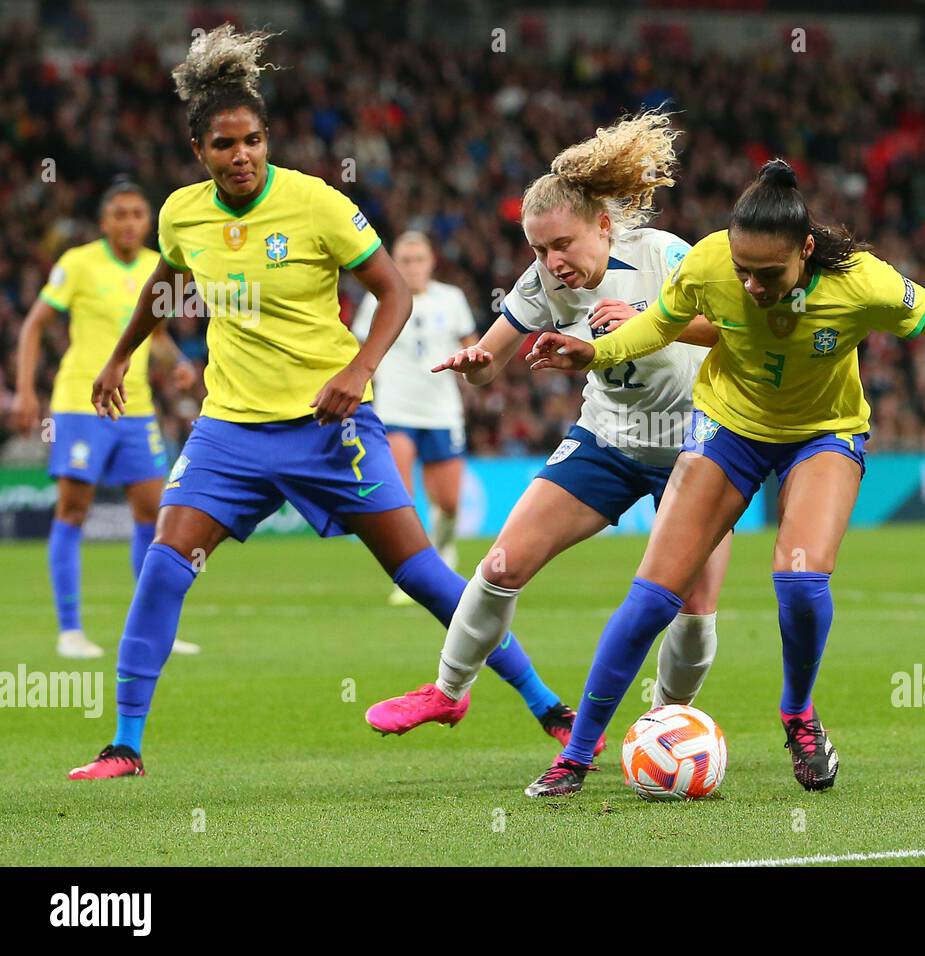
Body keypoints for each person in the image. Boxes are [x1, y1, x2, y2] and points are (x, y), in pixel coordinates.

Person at [67, 25, 576, 780]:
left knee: (422, 574)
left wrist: (358, 370)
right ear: (198, 152)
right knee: (166, 566)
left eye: (251, 141)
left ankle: (548, 706)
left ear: (267, 139)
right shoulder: (182, 215)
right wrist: (119, 355)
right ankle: (125, 744)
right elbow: (162, 284)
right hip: (229, 430)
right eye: (222, 145)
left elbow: (393, 291)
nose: (240, 156)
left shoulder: (316, 204)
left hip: (331, 424)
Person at [522, 159, 925, 796]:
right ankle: (575, 757)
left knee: (799, 579)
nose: (752, 286)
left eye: (768, 275)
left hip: (823, 432)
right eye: (743, 271)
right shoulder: (710, 262)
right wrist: (595, 351)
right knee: (654, 594)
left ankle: (797, 713)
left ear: (807, 250)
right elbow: (659, 323)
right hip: (730, 427)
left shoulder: (863, 283)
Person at [364, 112, 731, 748]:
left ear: (605, 225)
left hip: (695, 446)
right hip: (607, 440)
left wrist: (652, 318)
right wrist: (477, 364)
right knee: (501, 563)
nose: (551, 261)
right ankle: (448, 692)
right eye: (538, 249)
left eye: (563, 244)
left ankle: (663, 728)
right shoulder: (540, 284)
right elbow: (489, 363)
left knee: (694, 609)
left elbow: (733, 329)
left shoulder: (667, 256)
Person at [11, 181, 201, 659]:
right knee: (73, 510)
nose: (130, 222)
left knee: (153, 514)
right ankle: (70, 630)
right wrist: (27, 390)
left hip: (136, 407)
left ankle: (153, 627)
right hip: (81, 402)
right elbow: (35, 324)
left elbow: (153, 337)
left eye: (138, 213)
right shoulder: (77, 263)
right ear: (104, 221)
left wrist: (175, 360)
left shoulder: (157, 265)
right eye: (120, 213)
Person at [351, 231, 476, 598]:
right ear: (394, 263)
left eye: (419, 259)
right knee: (402, 497)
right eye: (404, 260)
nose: (412, 266)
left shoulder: (451, 299)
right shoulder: (380, 299)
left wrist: (474, 363)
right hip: (396, 409)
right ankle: (416, 574)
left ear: (431, 262)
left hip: (442, 411)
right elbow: (360, 350)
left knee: (449, 503)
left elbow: (472, 344)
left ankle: (443, 548)